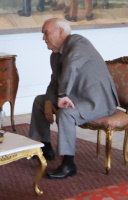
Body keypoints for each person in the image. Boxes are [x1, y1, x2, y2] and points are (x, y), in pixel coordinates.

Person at [29, 18, 118, 178]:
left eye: (46, 33)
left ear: (60, 32)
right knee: (39, 102)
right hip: (77, 97)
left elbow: (71, 66)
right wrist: (49, 101)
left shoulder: (79, 43)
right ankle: (44, 148)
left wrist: (62, 95)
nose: (43, 38)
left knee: (66, 113)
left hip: (97, 101)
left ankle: (68, 164)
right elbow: (54, 81)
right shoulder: (55, 55)